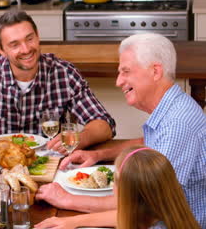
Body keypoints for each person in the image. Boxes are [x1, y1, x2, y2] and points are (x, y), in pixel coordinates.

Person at [36, 33, 206, 226]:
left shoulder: (177, 125)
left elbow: (147, 209)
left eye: (126, 72)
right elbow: (147, 144)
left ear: (155, 71)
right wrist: (98, 155)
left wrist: (67, 202)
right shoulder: (173, 109)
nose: (118, 82)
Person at [0, 9, 115, 151]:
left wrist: (78, 138)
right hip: (1, 165)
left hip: (51, 162)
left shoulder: (64, 73)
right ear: (1, 50)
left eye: (30, 39)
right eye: (14, 44)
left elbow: (104, 124)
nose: (26, 49)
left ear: (37, 37)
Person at [35, 146, 200, 229]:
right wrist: (73, 221)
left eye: (115, 181)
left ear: (127, 194)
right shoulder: (165, 211)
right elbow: (131, 215)